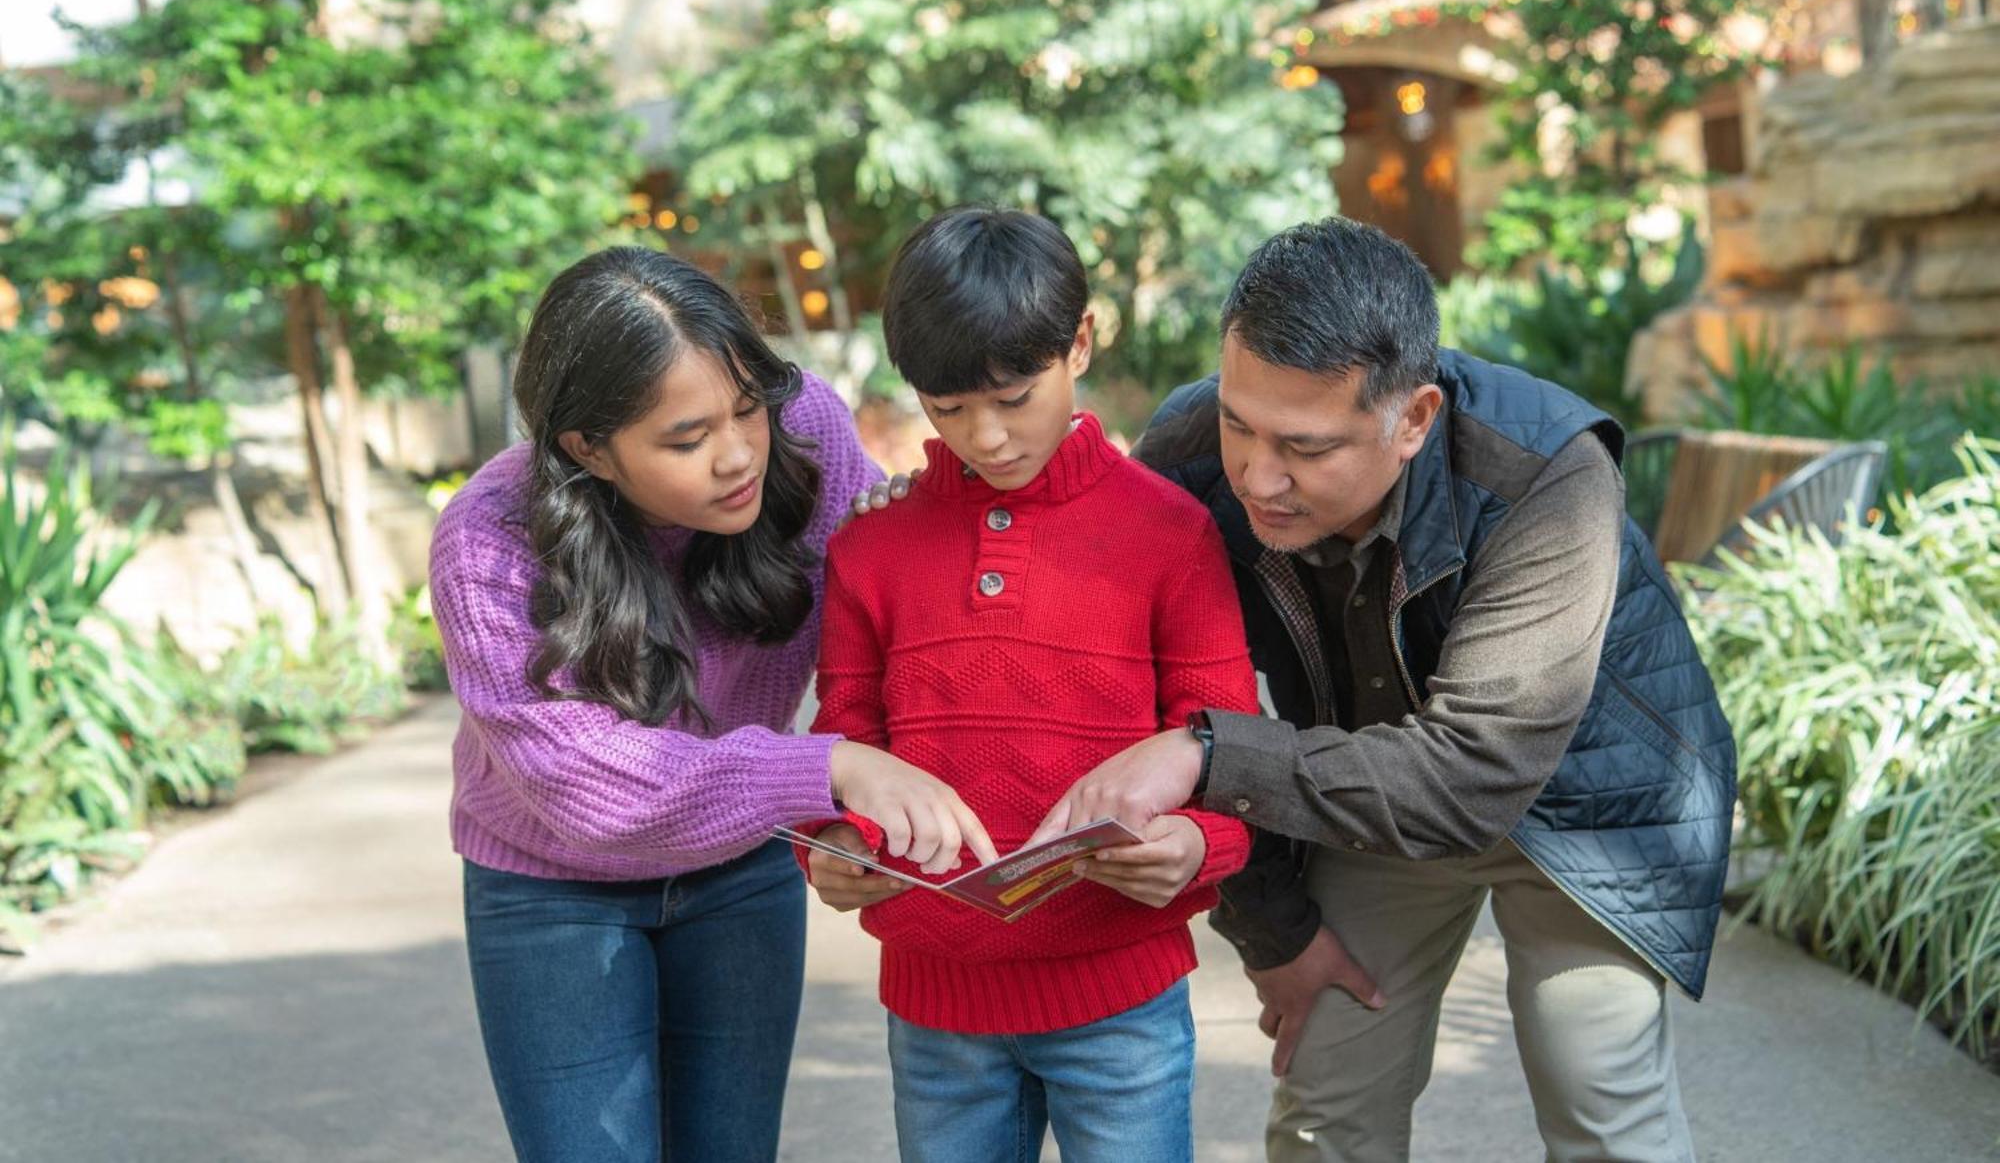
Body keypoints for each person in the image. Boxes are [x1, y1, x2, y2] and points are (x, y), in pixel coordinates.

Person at [1030, 217, 1736, 1162]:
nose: (1256, 474)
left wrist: (1207, 752)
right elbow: (1135, 693)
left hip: (1583, 804)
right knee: (1326, 1103)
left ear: (1414, 419)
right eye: (1241, 423)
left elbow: (1472, 774)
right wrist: (1275, 929)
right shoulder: (1193, 455)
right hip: (1373, 784)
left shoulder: (1548, 476)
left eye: (1307, 447)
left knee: (1599, 1095)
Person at [429, 246, 996, 1163]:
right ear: (586, 447)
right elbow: (582, 782)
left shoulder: (802, 431)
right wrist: (827, 769)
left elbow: (884, 636)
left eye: (746, 410)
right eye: (687, 439)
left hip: (740, 872)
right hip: (551, 893)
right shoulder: (489, 537)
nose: (738, 455)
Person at [798, 207, 1258, 1163]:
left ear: (1079, 341)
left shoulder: (1171, 534)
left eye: (1013, 395)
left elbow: (1230, 752)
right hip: (936, 1008)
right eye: (949, 406)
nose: (988, 437)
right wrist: (834, 846)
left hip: (1121, 998)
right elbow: (845, 742)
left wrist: (1196, 843)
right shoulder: (871, 546)